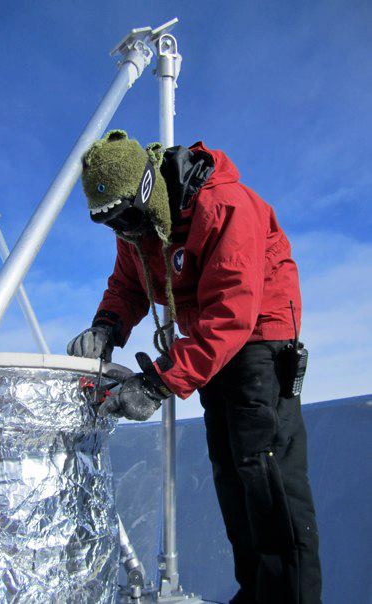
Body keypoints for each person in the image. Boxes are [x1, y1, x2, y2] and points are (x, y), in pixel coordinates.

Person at [67, 130, 322, 604]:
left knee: (265, 473)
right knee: (231, 472)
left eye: (126, 215)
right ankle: (256, 593)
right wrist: (106, 327)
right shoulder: (138, 230)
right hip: (210, 345)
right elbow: (128, 284)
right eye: (110, 222)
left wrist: (160, 382)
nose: (123, 229)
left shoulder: (224, 205)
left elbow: (233, 311)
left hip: (260, 341)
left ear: (146, 189)